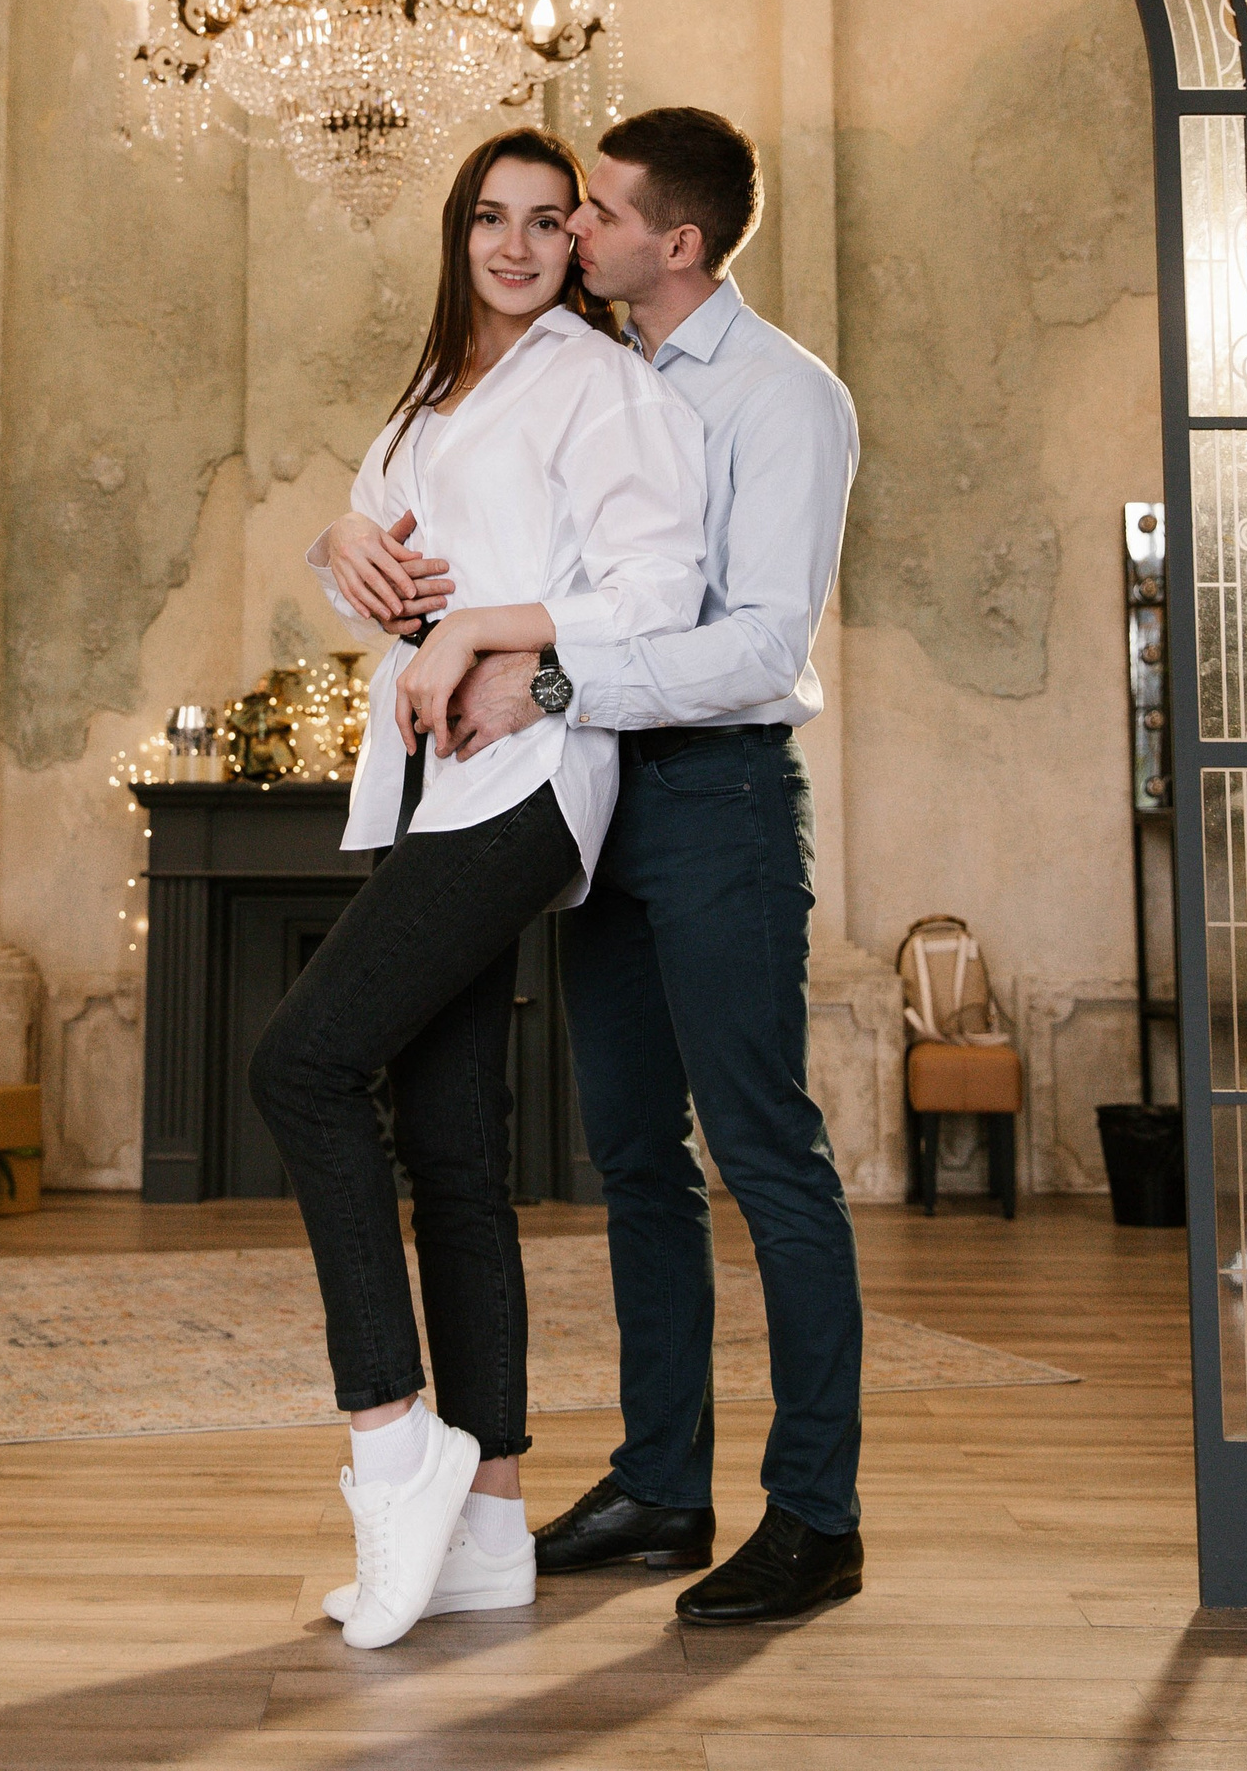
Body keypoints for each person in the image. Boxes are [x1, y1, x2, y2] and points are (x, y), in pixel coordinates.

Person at [248, 127, 706, 1651]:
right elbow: (380, 574)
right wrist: (336, 537)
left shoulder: (600, 383)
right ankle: (494, 1524)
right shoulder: (431, 395)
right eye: (490, 217)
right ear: (457, 232)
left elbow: (656, 591)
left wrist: (480, 636)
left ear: (579, 241)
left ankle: (396, 1444)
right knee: (452, 1148)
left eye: (545, 220)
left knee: (301, 1063)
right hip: (427, 785)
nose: (515, 244)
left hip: (527, 777)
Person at [447, 105, 864, 1627]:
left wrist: (553, 681)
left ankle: (816, 1516)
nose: (567, 232)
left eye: (597, 213)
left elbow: (760, 646)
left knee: (767, 1154)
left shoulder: (784, 396)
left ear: (675, 242)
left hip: (720, 803)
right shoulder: (598, 377)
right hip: (603, 798)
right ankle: (661, 1487)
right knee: (633, 1158)